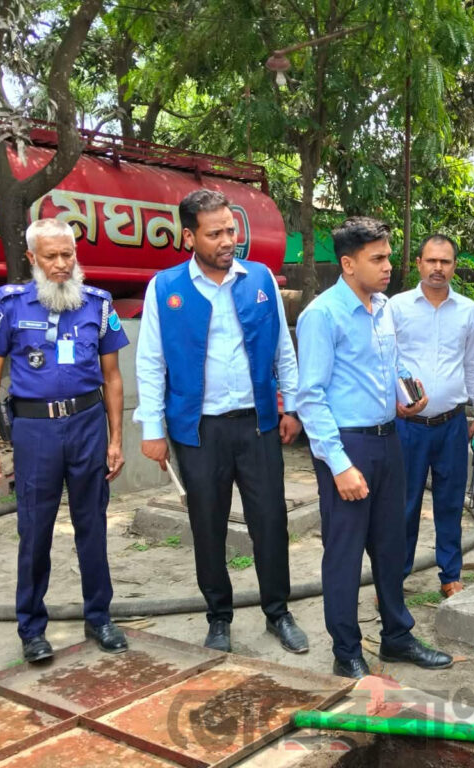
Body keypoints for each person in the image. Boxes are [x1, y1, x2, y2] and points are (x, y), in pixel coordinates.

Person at [134, 189, 308, 655]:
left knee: (270, 521)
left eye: (231, 230)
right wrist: (152, 428)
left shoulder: (260, 279)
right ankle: (219, 617)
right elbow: (151, 362)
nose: (228, 240)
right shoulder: (165, 288)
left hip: (257, 425)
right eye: (215, 233)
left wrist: (290, 407)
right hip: (199, 431)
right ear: (189, 236)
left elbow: (281, 349)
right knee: (207, 525)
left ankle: (279, 612)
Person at [296, 216, 455, 679]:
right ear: (348, 264)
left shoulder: (383, 307)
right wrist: (340, 465)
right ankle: (346, 651)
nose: (389, 265)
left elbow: (387, 365)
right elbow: (311, 397)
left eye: (388, 255)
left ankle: (396, 637)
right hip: (348, 447)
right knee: (344, 554)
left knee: (390, 546)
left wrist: (404, 398)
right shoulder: (321, 317)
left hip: (390, 440)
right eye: (378, 258)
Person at [0, 218, 129, 662]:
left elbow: (113, 378)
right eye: (51, 256)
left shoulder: (97, 305)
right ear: (32, 259)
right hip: (35, 432)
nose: (62, 264)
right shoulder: (10, 306)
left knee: (92, 526)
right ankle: (31, 628)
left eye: (68, 254)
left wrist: (115, 439)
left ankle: (99, 617)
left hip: (86, 426)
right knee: (35, 530)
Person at [387, 234, 474, 598]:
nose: (438, 268)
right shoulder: (396, 307)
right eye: (431, 261)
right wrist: (393, 401)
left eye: (445, 262)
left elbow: (472, 363)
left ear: (455, 266)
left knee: (450, 502)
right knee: (404, 505)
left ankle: (450, 575)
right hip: (408, 426)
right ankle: (395, 575)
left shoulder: (467, 311)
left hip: (453, 426)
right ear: (418, 264)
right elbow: (386, 359)